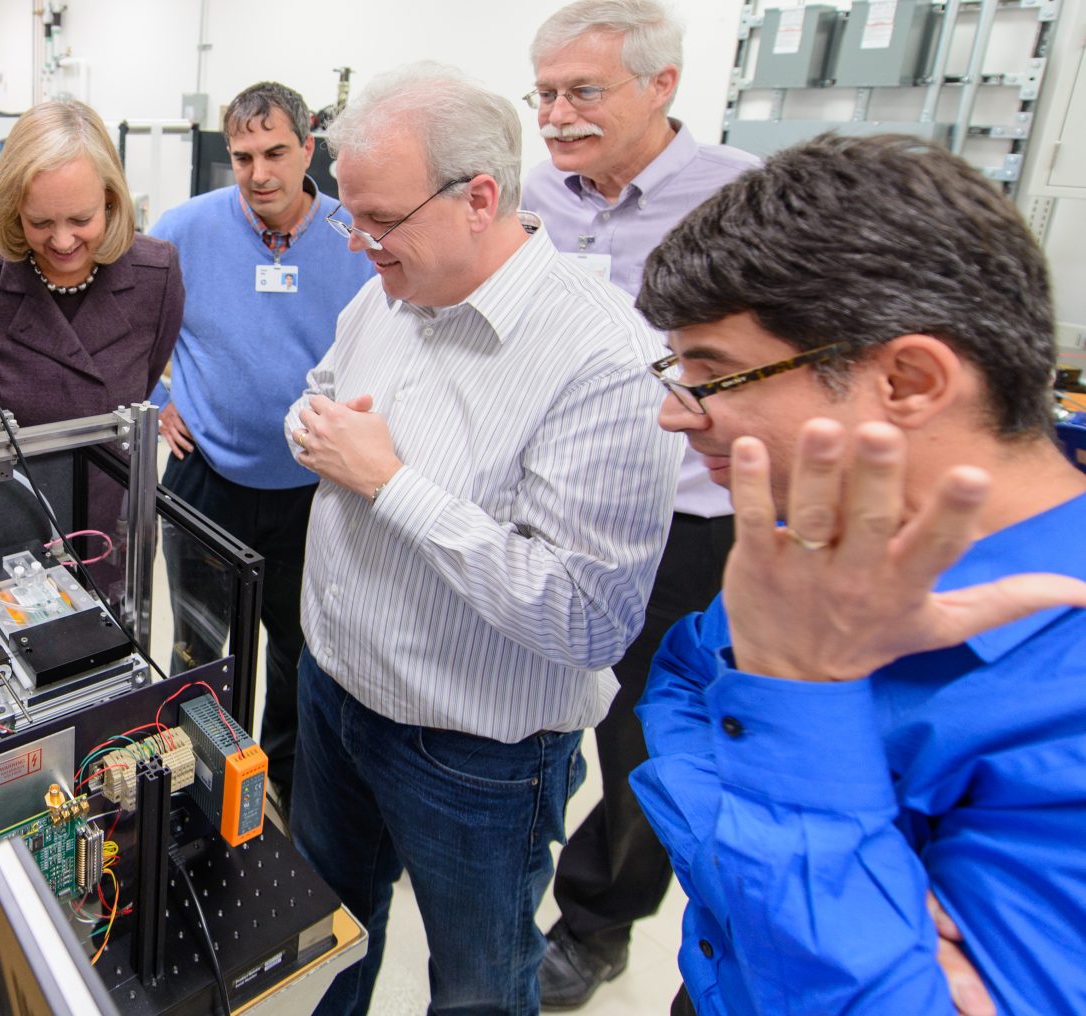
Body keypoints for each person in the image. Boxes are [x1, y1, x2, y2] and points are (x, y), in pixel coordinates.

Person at [630, 132, 1086, 1016]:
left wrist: (797, 703)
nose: (675, 415)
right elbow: (689, 674)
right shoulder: (815, 527)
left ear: (909, 380)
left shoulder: (1064, 697)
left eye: (714, 374)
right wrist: (849, 885)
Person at [285, 63, 680, 1014]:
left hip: (472, 752)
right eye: (349, 215)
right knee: (326, 939)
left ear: (480, 198)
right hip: (337, 692)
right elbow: (332, 381)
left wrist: (393, 484)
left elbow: (589, 621)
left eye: (377, 219)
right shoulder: (388, 287)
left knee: (477, 982)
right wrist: (316, 422)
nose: (357, 243)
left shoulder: (602, 362)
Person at [518, 2, 760, 1006]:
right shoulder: (535, 195)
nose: (558, 116)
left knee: (644, 740)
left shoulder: (739, 197)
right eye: (544, 94)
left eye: (583, 92)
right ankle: (516, 868)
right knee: (537, 712)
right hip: (555, 505)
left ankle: (598, 919)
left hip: (687, 522)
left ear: (662, 86)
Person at [149, 81, 372, 812]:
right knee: (198, 639)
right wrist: (157, 399)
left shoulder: (354, 237)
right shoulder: (185, 229)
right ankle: (192, 777)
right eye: (243, 155)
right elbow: (125, 316)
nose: (259, 172)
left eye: (276, 152)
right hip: (204, 474)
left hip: (314, 489)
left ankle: (279, 777)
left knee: (301, 646)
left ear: (310, 147)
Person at [0, 100, 184, 567]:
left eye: (82, 220)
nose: (63, 242)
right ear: (13, 208)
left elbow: (144, 380)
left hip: (108, 520)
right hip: (5, 521)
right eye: (40, 222)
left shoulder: (155, 275)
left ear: (111, 200)